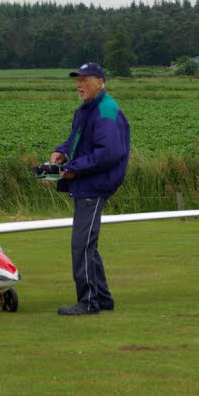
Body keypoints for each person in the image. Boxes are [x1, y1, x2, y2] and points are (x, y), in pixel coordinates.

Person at [50, 62, 130, 316]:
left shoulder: (105, 111)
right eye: (78, 80)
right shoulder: (87, 109)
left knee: (81, 244)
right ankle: (103, 298)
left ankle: (88, 301)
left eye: (85, 80)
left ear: (100, 82)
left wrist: (74, 168)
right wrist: (62, 151)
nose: (79, 85)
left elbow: (108, 153)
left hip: (95, 183)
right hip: (86, 181)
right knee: (88, 244)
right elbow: (77, 138)